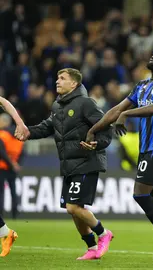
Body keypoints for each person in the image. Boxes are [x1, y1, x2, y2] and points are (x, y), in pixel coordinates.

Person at [85, 49, 153, 261]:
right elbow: (116, 109)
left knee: (140, 194)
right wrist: (94, 129)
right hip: (147, 148)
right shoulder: (142, 86)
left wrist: (126, 114)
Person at [22, 68, 114, 260]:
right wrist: (28, 133)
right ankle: (91, 248)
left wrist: (97, 144)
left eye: (62, 78)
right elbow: (47, 127)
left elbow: (105, 127)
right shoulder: (57, 106)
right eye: (57, 78)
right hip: (68, 164)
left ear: (74, 84)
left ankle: (104, 233)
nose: (57, 81)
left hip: (86, 161)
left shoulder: (86, 103)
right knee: (72, 211)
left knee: (74, 207)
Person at [0, 96, 29, 257]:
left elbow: (4, 102)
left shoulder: (4, 135)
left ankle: (6, 232)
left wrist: (19, 122)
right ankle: (5, 232)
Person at [0, 113, 24, 219]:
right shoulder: (18, 135)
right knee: (13, 191)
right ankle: (15, 214)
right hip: (13, 168)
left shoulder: (2, 135)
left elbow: (2, 152)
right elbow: (23, 153)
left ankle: (1, 214)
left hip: (2, 167)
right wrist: (16, 164)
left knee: (1, 192)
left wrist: (10, 163)